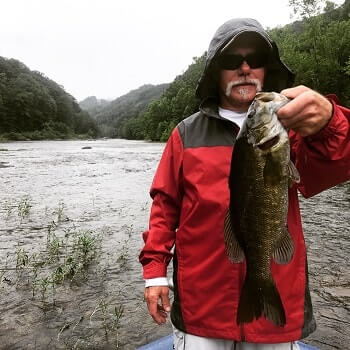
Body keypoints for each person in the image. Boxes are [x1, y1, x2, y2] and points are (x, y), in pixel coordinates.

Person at [139, 18, 350, 350]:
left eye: (256, 58)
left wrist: (330, 121)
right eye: (230, 60)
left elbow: (339, 164)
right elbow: (165, 207)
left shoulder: (293, 128)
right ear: (215, 71)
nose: (245, 67)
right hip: (203, 306)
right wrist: (154, 272)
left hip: (274, 310)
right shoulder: (185, 134)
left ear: (267, 69)